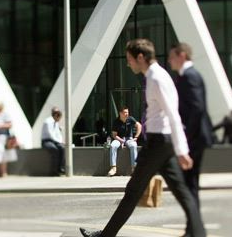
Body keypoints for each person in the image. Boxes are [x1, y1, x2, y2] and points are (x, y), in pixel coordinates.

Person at [79, 38, 206, 237]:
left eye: (129, 59)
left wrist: (182, 150)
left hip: (158, 143)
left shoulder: (156, 78)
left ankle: (106, 236)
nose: (127, 64)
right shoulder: (156, 76)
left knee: (133, 191)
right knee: (182, 191)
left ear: (140, 57)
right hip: (161, 143)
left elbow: (173, 114)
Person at [169, 42, 214, 209]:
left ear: (182, 55)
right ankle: (194, 227)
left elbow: (197, 107)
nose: (169, 60)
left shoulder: (189, 76)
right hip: (195, 137)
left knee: (189, 184)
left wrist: (185, 135)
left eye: (172, 56)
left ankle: (194, 228)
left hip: (194, 138)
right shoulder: (188, 75)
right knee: (189, 184)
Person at [108, 106, 141, 176]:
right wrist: (121, 141)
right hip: (118, 139)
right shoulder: (116, 122)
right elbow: (114, 135)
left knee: (134, 145)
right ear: (120, 113)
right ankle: (113, 168)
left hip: (129, 138)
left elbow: (139, 126)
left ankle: (134, 168)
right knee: (113, 145)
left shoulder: (130, 119)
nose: (127, 114)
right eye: (125, 112)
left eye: (127, 112)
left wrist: (136, 137)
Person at [42, 106, 65, 176]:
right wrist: (59, 141)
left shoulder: (56, 122)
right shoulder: (48, 121)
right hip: (46, 141)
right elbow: (50, 134)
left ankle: (60, 168)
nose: (59, 120)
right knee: (54, 149)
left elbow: (58, 134)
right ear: (55, 115)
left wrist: (61, 141)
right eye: (59, 117)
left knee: (61, 148)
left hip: (54, 141)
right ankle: (53, 171)